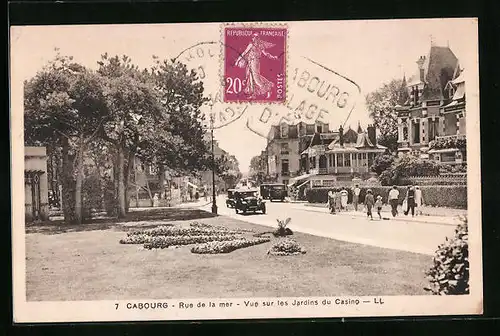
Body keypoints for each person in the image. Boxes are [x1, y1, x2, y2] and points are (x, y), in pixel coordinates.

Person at [234, 33, 278, 99]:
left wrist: (273, 57)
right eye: (254, 37)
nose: (255, 38)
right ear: (252, 38)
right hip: (250, 62)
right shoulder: (251, 44)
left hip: (255, 62)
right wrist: (238, 60)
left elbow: (265, 53)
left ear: (258, 38)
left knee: (256, 78)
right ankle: (253, 94)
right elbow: (245, 52)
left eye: (256, 37)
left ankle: (268, 90)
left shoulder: (260, 45)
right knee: (251, 78)